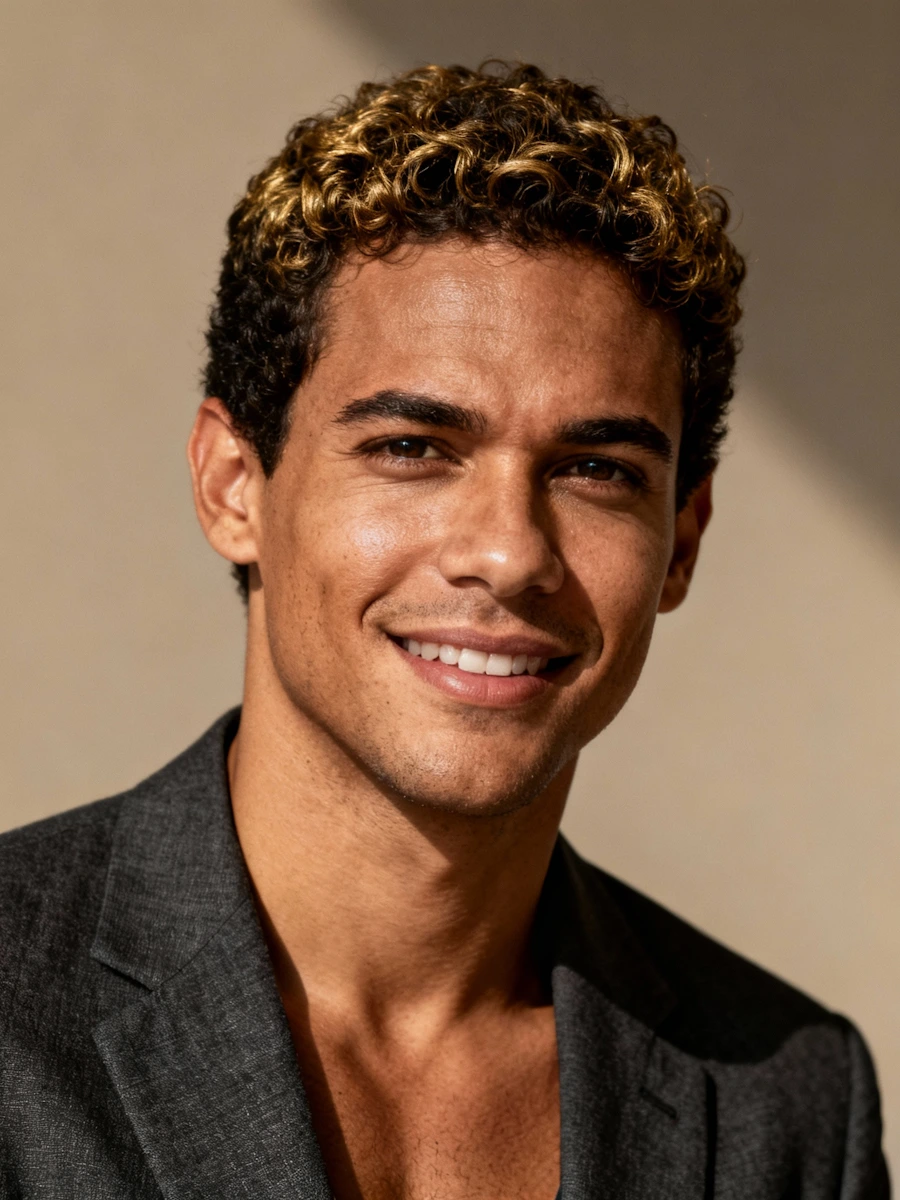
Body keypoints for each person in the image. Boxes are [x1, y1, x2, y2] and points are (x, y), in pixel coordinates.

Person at [0, 62, 888, 1199]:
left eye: (596, 469)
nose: (510, 551)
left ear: (681, 542)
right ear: (234, 485)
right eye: (413, 448)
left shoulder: (784, 1103)